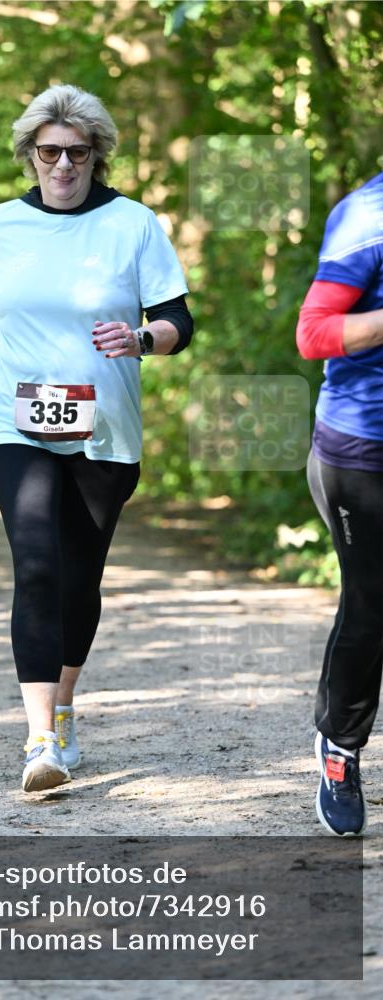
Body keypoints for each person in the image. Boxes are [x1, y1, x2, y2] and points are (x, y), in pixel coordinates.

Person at [0, 84, 193, 792]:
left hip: (104, 425)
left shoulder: (132, 224)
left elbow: (178, 317)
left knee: (80, 578)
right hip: (10, 418)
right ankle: (39, 741)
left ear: (96, 156)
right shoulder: (0, 223)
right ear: (30, 155)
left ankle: (63, 705)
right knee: (37, 564)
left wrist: (143, 337)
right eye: (49, 152)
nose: (62, 165)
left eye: (76, 153)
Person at [296, 172, 383, 837]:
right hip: (362, 449)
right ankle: (340, 748)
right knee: (370, 604)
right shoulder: (366, 216)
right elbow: (314, 333)